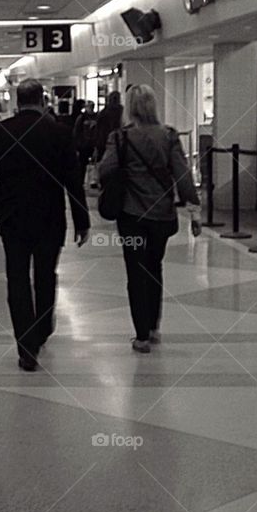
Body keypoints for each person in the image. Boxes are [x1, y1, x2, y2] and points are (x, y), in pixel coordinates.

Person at [0, 79, 90, 372]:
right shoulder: (60, 133)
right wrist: (82, 220)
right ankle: (42, 328)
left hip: (13, 219)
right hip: (50, 218)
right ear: (42, 101)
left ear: (17, 101)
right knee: (45, 274)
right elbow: (73, 181)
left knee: (17, 278)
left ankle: (26, 347)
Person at [98, 85, 201, 353]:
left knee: (135, 271)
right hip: (161, 215)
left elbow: (104, 171)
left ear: (130, 107)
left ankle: (141, 335)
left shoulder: (119, 138)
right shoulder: (168, 136)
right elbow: (182, 174)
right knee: (154, 267)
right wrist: (193, 208)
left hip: (131, 215)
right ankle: (154, 325)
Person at [72, 100, 98, 187]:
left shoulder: (97, 117)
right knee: (83, 164)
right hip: (84, 145)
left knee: (94, 164)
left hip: (92, 144)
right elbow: (76, 132)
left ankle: (92, 181)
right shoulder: (82, 118)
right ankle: (82, 181)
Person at [94, 90, 123, 163]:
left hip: (105, 142)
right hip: (119, 142)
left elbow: (98, 130)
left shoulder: (103, 113)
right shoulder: (122, 111)